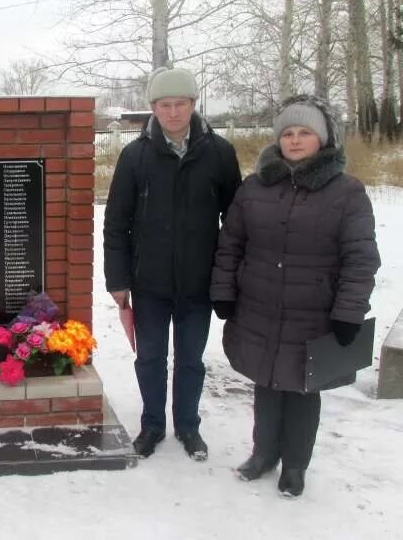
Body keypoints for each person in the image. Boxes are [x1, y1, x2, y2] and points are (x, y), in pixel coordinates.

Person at [210, 94, 381, 498]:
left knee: (303, 388)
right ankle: (263, 454)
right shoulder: (255, 188)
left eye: (305, 132)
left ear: (322, 139)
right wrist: (224, 291)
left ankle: (296, 465)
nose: (295, 140)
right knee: (266, 382)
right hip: (259, 306)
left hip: (314, 312)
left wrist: (349, 312)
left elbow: (360, 258)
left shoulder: (347, 193)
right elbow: (230, 243)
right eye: (288, 133)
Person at [103, 65, 242, 460]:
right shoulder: (136, 156)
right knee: (149, 357)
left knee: (191, 359)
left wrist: (228, 277)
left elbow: (236, 222)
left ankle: (188, 426)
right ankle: (152, 426)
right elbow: (116, 224)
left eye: (181, 104)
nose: (174, 112)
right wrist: (118, 279)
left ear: (194, 105)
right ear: (153, 108)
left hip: (199, 282)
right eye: (165, 105)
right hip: (150, 282)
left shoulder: (219, 153)